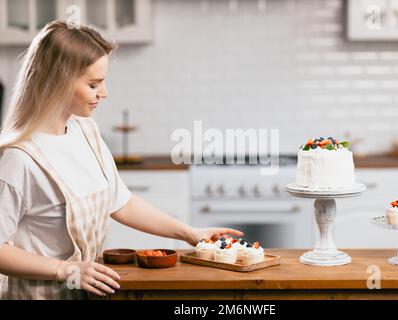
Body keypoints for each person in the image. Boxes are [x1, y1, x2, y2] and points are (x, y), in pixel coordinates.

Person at [0, 20, 242, 300]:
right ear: (58, 82)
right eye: (94, 84)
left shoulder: (85, 132)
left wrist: (189, 233)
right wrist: (64, 270)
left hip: (85, 293)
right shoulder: (17, 159)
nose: (104, 93)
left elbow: (121, 202)